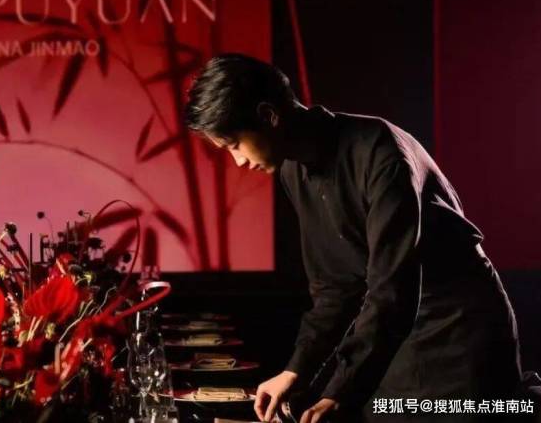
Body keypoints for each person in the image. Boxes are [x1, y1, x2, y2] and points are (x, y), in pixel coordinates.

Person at [183, 53, 523, 423]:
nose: (238, 162)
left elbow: (392, 288)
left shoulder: (381, 153)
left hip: (458, 330)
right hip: (393, 336)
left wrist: (341, 391)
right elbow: (336, 288)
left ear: (268, 116)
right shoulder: (292, 171)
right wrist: (295, 370)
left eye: (234, 145)